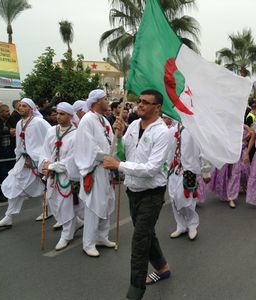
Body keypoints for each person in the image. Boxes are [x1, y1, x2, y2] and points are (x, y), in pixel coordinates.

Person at [103, 89, 171, 300]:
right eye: (139, 101)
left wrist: (119, 165)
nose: (139, 105)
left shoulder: (162, 133)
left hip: (152, 192)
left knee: (140, 239)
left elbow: (151, 168)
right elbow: (126, 154)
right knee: (146, 233)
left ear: (157, 107)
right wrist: (120, 138)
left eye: (145, 102)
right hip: (133, 190)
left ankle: (136, 290)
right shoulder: (133, 125)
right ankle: (162, 267)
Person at [0, 99, 51, 228]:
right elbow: (19, 143)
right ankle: (9, 217)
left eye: (24, 106)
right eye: (19, 106)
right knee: (14, 184)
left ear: (31, 108)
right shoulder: (19, 123)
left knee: (44, 186)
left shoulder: (39, 122)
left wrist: (45, 157)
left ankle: (53, 211)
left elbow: (51, 136)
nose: (21, 108)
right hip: (23, 162)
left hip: (38, 161)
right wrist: (18, 158)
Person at [74, 89, 116, 257]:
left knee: (106, 203)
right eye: (106, 99)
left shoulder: (103, 120)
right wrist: (107, 156)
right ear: (97, 101)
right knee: (93, 206)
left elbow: (110, 141)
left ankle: (102, 237)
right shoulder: (87, 120)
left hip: (106, 168)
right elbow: (88, 146)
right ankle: (88, 243)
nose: (108, 102)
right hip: (95, 168)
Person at [39, 102, 83, 250]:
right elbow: (44, 151)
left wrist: (52, 166)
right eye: (57, 113)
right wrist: (44, 164)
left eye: (62, 114)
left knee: (65, 205)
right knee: (53, 203)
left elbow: (73, 159)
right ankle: (75, 223)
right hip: (51, 175)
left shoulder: (77, 134)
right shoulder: (51, 131)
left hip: (66, 176)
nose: (58, 116)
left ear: (71, 116)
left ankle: (66, 235)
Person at [167, 122, 211, 240]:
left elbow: (204, 150)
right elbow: (168, 150)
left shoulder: (196, 128)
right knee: (173, 198)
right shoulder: (172, 129)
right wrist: (166, 166)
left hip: (189, 169)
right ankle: (180, 225)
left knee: (185, 198)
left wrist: (206, 171)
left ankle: (192, 225)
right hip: (173, 169)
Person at [0, 105, 17, 202]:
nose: (8, 113)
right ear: (1, 112)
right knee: (1, 172)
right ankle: (0, 195)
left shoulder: (10, 119)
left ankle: (9, 192)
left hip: (9, 149)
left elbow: (14, 128)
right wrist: (7, 131)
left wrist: (12, 130)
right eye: (6, 111)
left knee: (10, 171)